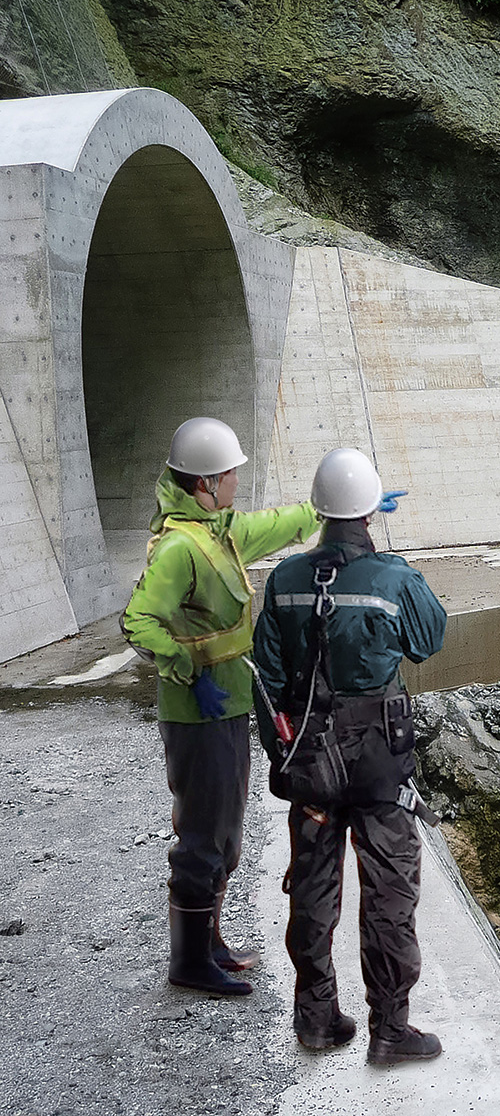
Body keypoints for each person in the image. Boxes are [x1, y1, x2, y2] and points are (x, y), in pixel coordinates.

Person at [252, 447, 447, 1064]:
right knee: (389, 889)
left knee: (312, 886)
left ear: (319, 512)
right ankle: (390, 1029)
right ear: (370, 511)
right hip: (378, 765)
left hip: (309, 761)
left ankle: (315, 1018)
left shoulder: (283, 580)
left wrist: (286, 754)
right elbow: (428, 640)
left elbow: (270, 678)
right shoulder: (393, 578)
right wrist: (397, 572)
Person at [122, 416, 322, 997]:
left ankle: (207, 941)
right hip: (197, 711)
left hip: (230, 702)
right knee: (204, 833)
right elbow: (137, 622)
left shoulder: (218, 530)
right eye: (230, 472)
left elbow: (270, 525)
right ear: (205, 483)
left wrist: (322, 513)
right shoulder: (180, 548)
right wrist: (187, 668)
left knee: (226, 831)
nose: (237, 478)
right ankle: (187, 963)